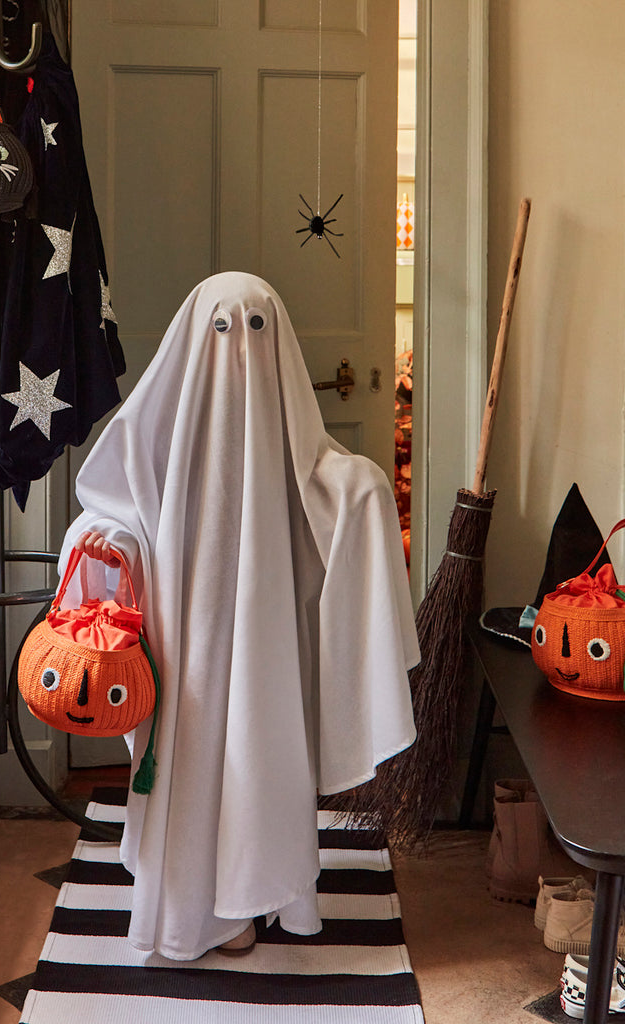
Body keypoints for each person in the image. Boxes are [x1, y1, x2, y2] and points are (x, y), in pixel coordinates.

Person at [59, 271, 419, 961]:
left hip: (263, 641)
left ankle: (256, 898)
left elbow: (330, 484)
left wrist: (366, 488)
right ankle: (197, 915)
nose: (240, 348)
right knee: (191, 761)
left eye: (256, 330)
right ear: (196, 338)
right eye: (222, 330)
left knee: (259, 754)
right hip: (180, 636)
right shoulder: (155, 426)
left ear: (276, 341)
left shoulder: (293, 438)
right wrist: (108, 540)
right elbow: (112, 505)